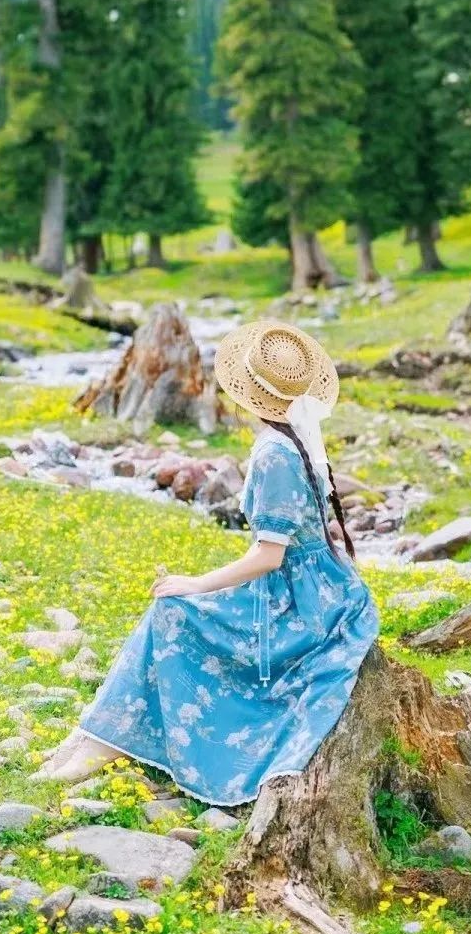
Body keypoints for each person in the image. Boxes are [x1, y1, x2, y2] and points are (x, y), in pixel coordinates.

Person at [36, 320, 379, 806]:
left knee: (175, 609)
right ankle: (95, 736)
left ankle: (102, 741)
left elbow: (270, 555)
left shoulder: (275, 455)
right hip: (310, 588)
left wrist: (197, 583)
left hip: (304, 606)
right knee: (173, 608)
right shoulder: (288, 444)